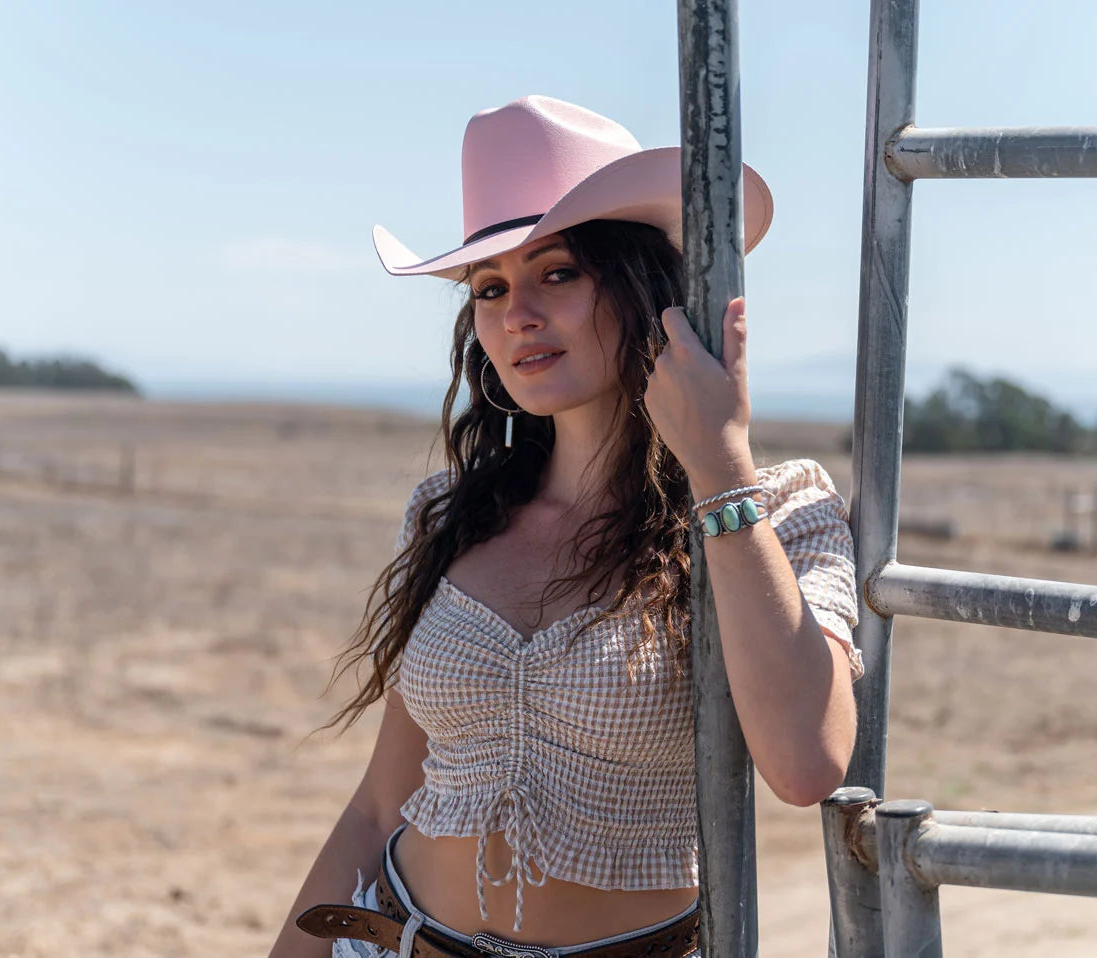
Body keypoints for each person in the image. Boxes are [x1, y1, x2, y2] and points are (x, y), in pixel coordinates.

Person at [268, 95, 864, 958]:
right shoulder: (450, 516)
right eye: (490, 288)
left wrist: (719, 471)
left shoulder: (777, 511)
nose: (518, 316)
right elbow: (377, 805)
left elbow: (809, 765)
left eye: (558, 273)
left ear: (643, 285)